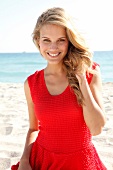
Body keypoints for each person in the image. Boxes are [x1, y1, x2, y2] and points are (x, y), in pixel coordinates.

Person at [11, 7, 107, 170]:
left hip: (81, 161)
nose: (53, 48)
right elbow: (34, 128)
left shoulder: (90, 73)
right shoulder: (31, 83)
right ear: (37, 41)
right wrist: (25, 161)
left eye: (61, 40)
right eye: (46, 40)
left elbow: (96, 129)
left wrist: (81, 80)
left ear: (69, 41)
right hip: (42, 159)